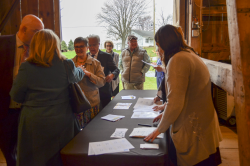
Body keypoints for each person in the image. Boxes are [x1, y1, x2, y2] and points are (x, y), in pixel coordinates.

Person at [144, 25, 222, 166]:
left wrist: (159, 129)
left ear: (165, 43)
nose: (158, 50)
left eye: (158, 45)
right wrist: (166, 110)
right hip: (205, 124)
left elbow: (176, 102)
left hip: (194, 129)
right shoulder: (188, 54)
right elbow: (187, 94)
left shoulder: (178, 60)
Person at [9, 29, 85, 166]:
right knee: (62, 158)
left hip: (34, 122)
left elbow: (16, 96)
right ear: (55, 45)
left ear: (34, 45)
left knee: (34, 159)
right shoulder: (67, 64)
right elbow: (77, 76)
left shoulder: (26, 67)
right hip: (62, 120)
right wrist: (81, 70)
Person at [0, 14, 44, 166]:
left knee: (32, 150)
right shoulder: (2, 44)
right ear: (23, 29)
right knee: (9, 149)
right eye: (37, 32)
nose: (40, 36)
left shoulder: (40, 50)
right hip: (6, 111)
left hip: (31, 111)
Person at [72, 37, 105, 128]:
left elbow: (102, 82)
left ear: (87, 47)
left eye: (81, 46)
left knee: (93, 131)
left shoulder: (96, 63)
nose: (78, 49)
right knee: (78, 136)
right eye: (76, 47)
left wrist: (89, 74)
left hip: (92, 104)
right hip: (76, 104)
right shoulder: (70, 64)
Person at [87, 35, 120, 109]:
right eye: (90, 45)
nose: (92, 47)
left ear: (99, 44)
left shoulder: (106, 56)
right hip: (90, 94)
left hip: (104, 93)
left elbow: (116, 70)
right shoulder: (85, 57)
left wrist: (112, 75)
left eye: (94, 45)